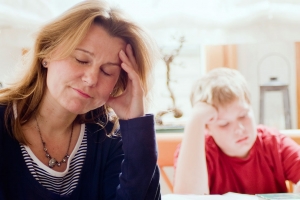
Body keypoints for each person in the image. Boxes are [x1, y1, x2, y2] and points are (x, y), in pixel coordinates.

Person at [0, 1, 161, 199]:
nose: (91, 79)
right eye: (81, 60)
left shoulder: (111, 138)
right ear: (48, 52)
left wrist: (135, 123)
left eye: (107, 71)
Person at [173, 67, 300, 195]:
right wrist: (195, 120)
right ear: (207, 128)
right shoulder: (197, 150)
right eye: (224, 124)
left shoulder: (274, 143)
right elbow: (188, 197)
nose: (239, 129)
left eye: (243, 115)